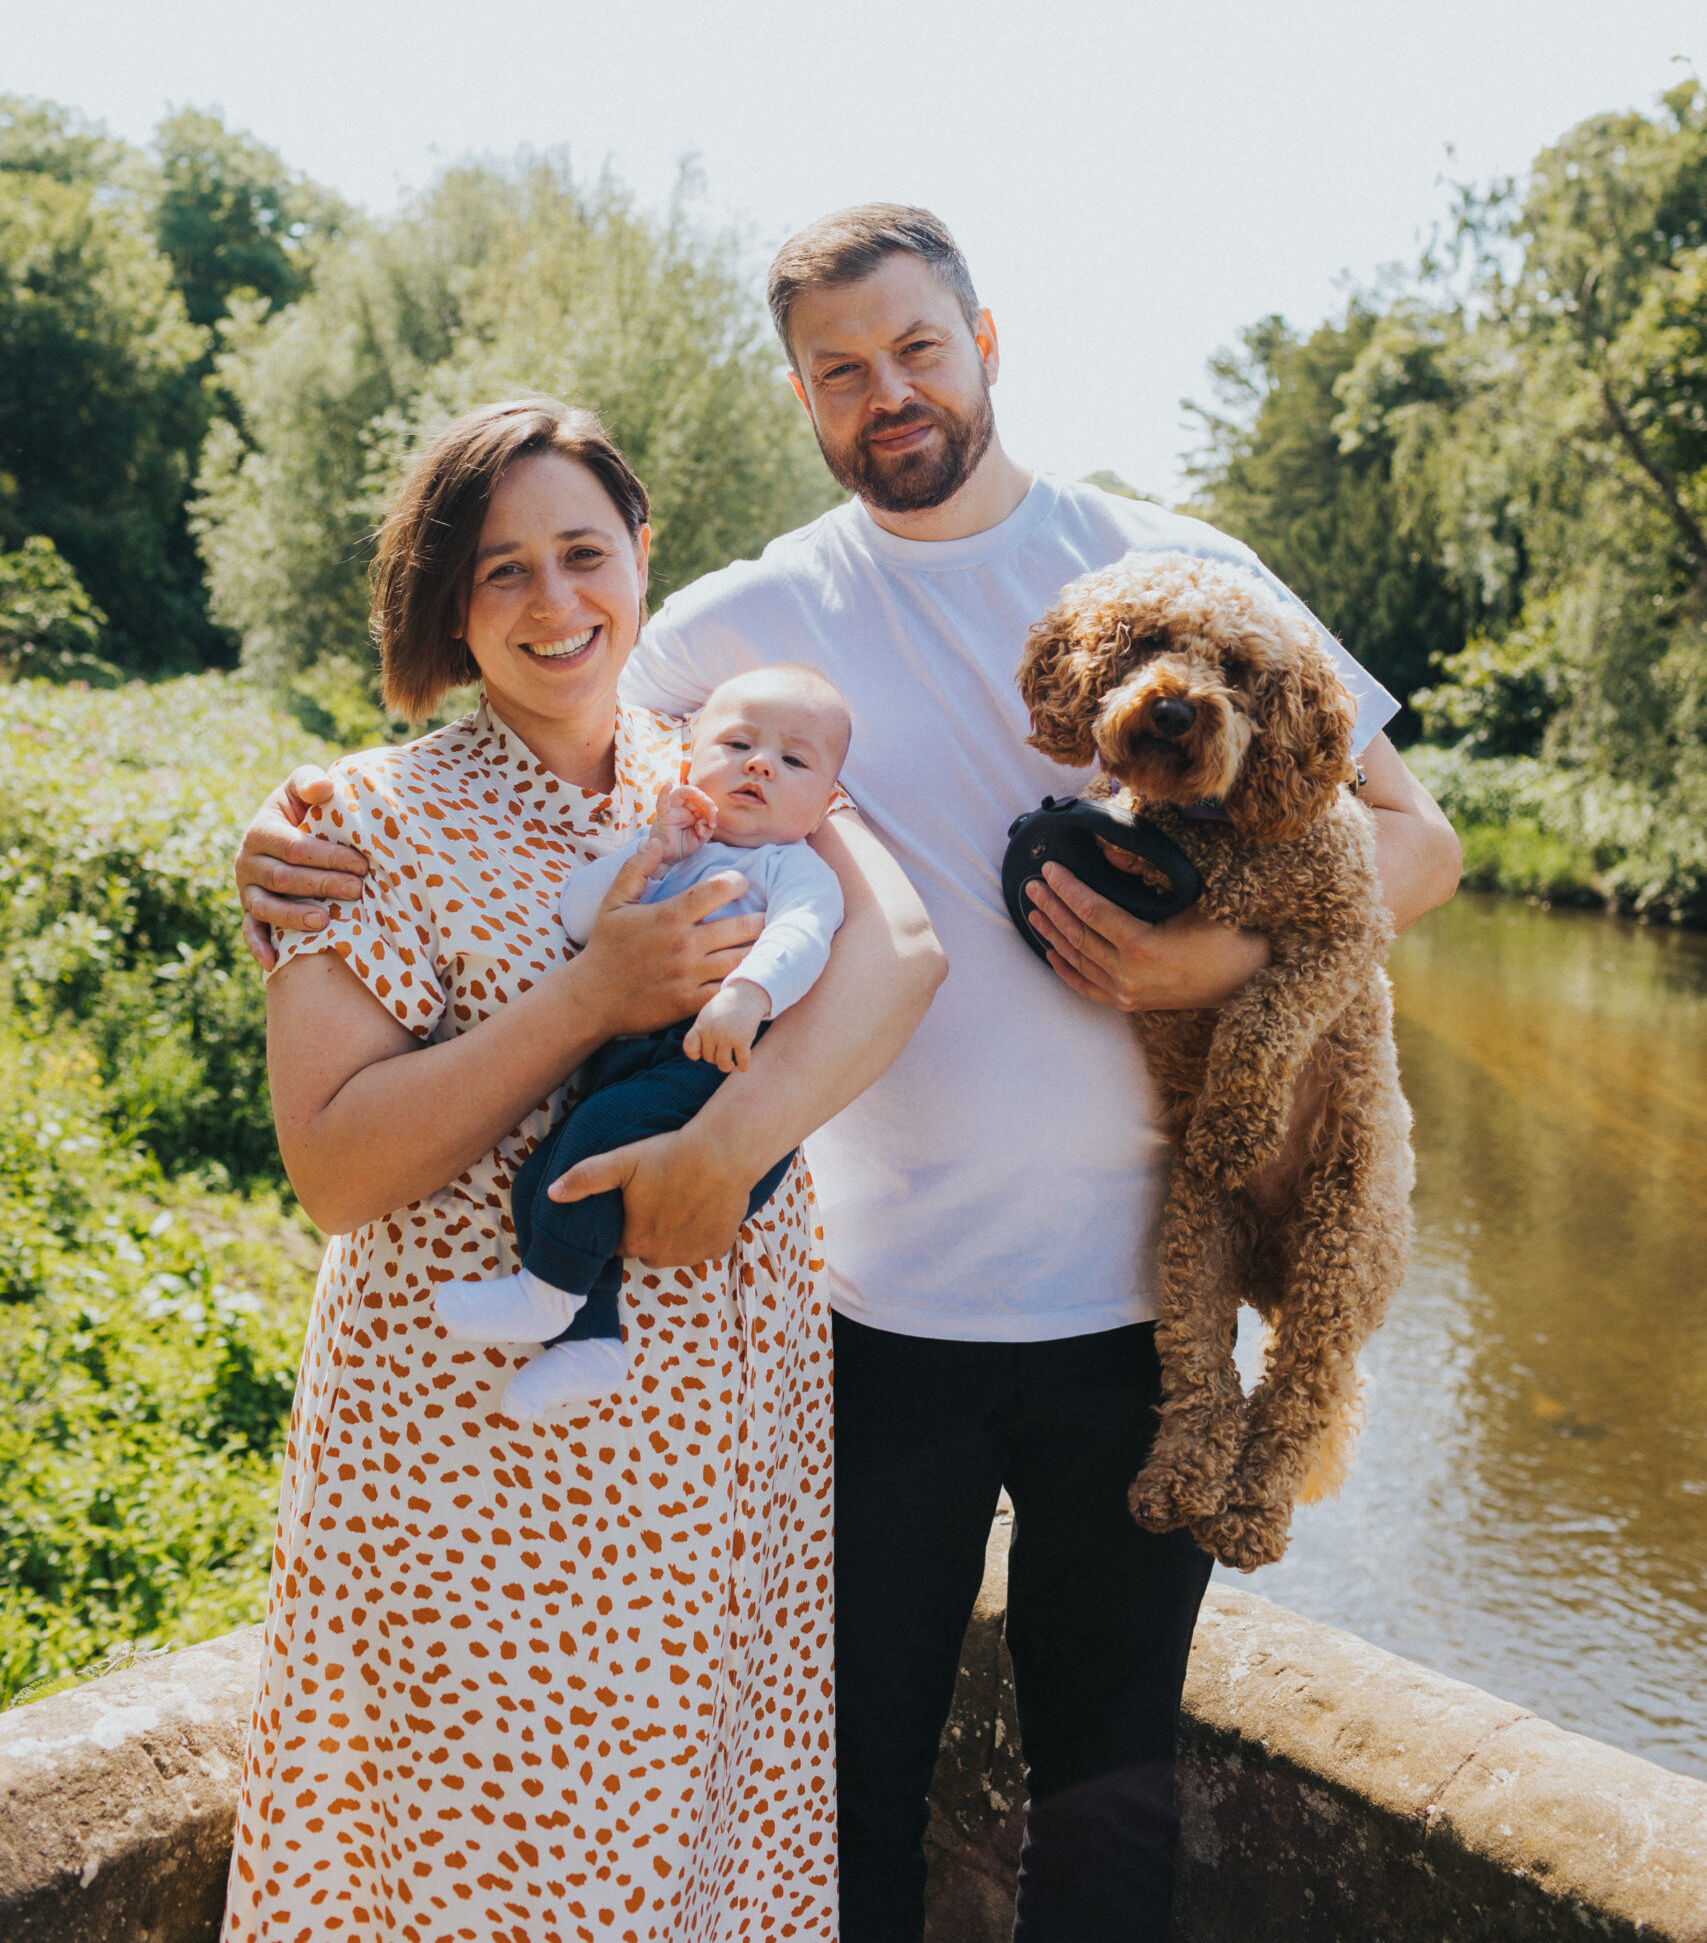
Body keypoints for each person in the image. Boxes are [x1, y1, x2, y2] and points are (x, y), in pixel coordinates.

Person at [237, 209, 1462, 1943]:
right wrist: (288, 834)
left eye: (913, 349)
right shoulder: (736, 633)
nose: (885, 393)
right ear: (802, 393)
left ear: (982, 336)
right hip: (860, 1325)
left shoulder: (1171, 564)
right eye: (838, 369)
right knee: (838, 1793)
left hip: (1139, 1310)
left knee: (1110, 1791)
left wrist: (1214, 964)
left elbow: (1414, 844)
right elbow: (535, 711)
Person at [222, 396, 942, 1943]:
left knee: (682, 1841)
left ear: (636, 557)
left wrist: (738, 1131)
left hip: (711, 1442)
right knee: (482, 1850)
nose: (554, 606)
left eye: (581, 553)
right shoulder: (360, 818)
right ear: (445, 602)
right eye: (500, 572)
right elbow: (336, 1174)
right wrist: (589, 1001)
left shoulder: (740, 767)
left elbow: (901, 952)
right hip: (472, 1462)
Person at [437, 665, 851, 1423]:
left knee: (592, 1144)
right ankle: (593, 1339)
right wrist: (647, 854)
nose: (760, 764)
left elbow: (802, 936)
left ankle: (547, 1296)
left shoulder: (795, 868)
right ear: (689, 763)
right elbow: (578, 919)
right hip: (633, 1059)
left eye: (793, 760)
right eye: (737, 744)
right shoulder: (670, 845)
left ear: (825, 805)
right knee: (546, 1178)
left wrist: (744, 994)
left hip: (715, 1066)